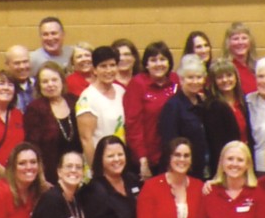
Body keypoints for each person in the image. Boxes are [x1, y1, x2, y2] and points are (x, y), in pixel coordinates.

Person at [124, 41, 179, 179]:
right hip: (149, 157)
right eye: (153, 60)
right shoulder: (138, 84)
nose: (158, 64)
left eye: (162, 59)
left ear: (169, 62)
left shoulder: (175, 81)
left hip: (174, 155)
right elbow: (133, 125)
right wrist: (142, 159)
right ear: (146, 64)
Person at [22, 62, 81, 184]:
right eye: (45, 81)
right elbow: (33, 148)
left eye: (54, 80)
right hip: (50, 175)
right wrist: (41, 178)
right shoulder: (35, 109)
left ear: (62, 81)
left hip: (78, 170)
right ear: (39, 86)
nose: (50, 85)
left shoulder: (75, 101)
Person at [159, 55, 210, 177]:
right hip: (183, 170)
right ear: (181, 80)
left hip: (205, 168)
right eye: (190, 77)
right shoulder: (173, 106)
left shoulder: (204, 103)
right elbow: (169, 144)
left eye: (199, 77)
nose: (195, 81)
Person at [76, 46, 126, 165]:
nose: (109, 70)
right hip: (99, 164)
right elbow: (86, 139)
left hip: (119, 161)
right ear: (94, 70)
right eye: (103, 66)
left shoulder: (121, 91)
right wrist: (96, 169)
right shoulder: (87, 99)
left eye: (112, 65)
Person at [204, 58, 253, 172]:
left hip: (246, 158)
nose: (225, 80)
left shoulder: (243, 101)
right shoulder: (212, 106)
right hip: (227, 164)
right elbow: (216, 144)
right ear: (214, 81)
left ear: (236, 77)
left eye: (229, 75)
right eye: (220, 77)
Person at [223, 22, 258, 94]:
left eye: (244, 38)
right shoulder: (224, 69)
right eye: (235, 39)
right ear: (228, 43)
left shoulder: (257, 67)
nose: (240, 42)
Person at [5, 45, 36, 112]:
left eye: (25, 62)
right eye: (17, 63)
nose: (22, 67)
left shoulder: (38, 85)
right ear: (7, 65)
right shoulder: (3, 90)